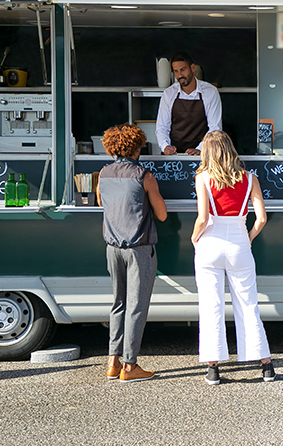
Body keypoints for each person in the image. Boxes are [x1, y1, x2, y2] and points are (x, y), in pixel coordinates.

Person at [191, 130, 275, 385]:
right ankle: (266, 366)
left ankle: (213, 369)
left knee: (211, 306)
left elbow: (203, 218)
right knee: (248, 304)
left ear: (207, 152)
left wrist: (195, 238)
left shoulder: (203, 178)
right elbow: (261, 218)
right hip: (239, 242)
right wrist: (248, 237)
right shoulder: (250, 179)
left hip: (210, 244)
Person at [96, 123, 167, 383]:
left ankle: (112, 363)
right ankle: (130, 366)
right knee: (136, 306)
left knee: (118, 303)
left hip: (112, 248)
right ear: (136, 148)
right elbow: (162, 214)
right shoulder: (144, 176)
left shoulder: (103, 174)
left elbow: (102, 202)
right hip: (138, 249)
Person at [155, 51, 222, 156]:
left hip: (202, 154)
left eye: (183, 70)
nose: (180, 75)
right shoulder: (168, 94)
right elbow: (162, 127)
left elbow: (215, 128)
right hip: (175, 155)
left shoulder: (210, 92)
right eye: (176, 71)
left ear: (192, 68)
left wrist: (200, 148)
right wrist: (166, 146)